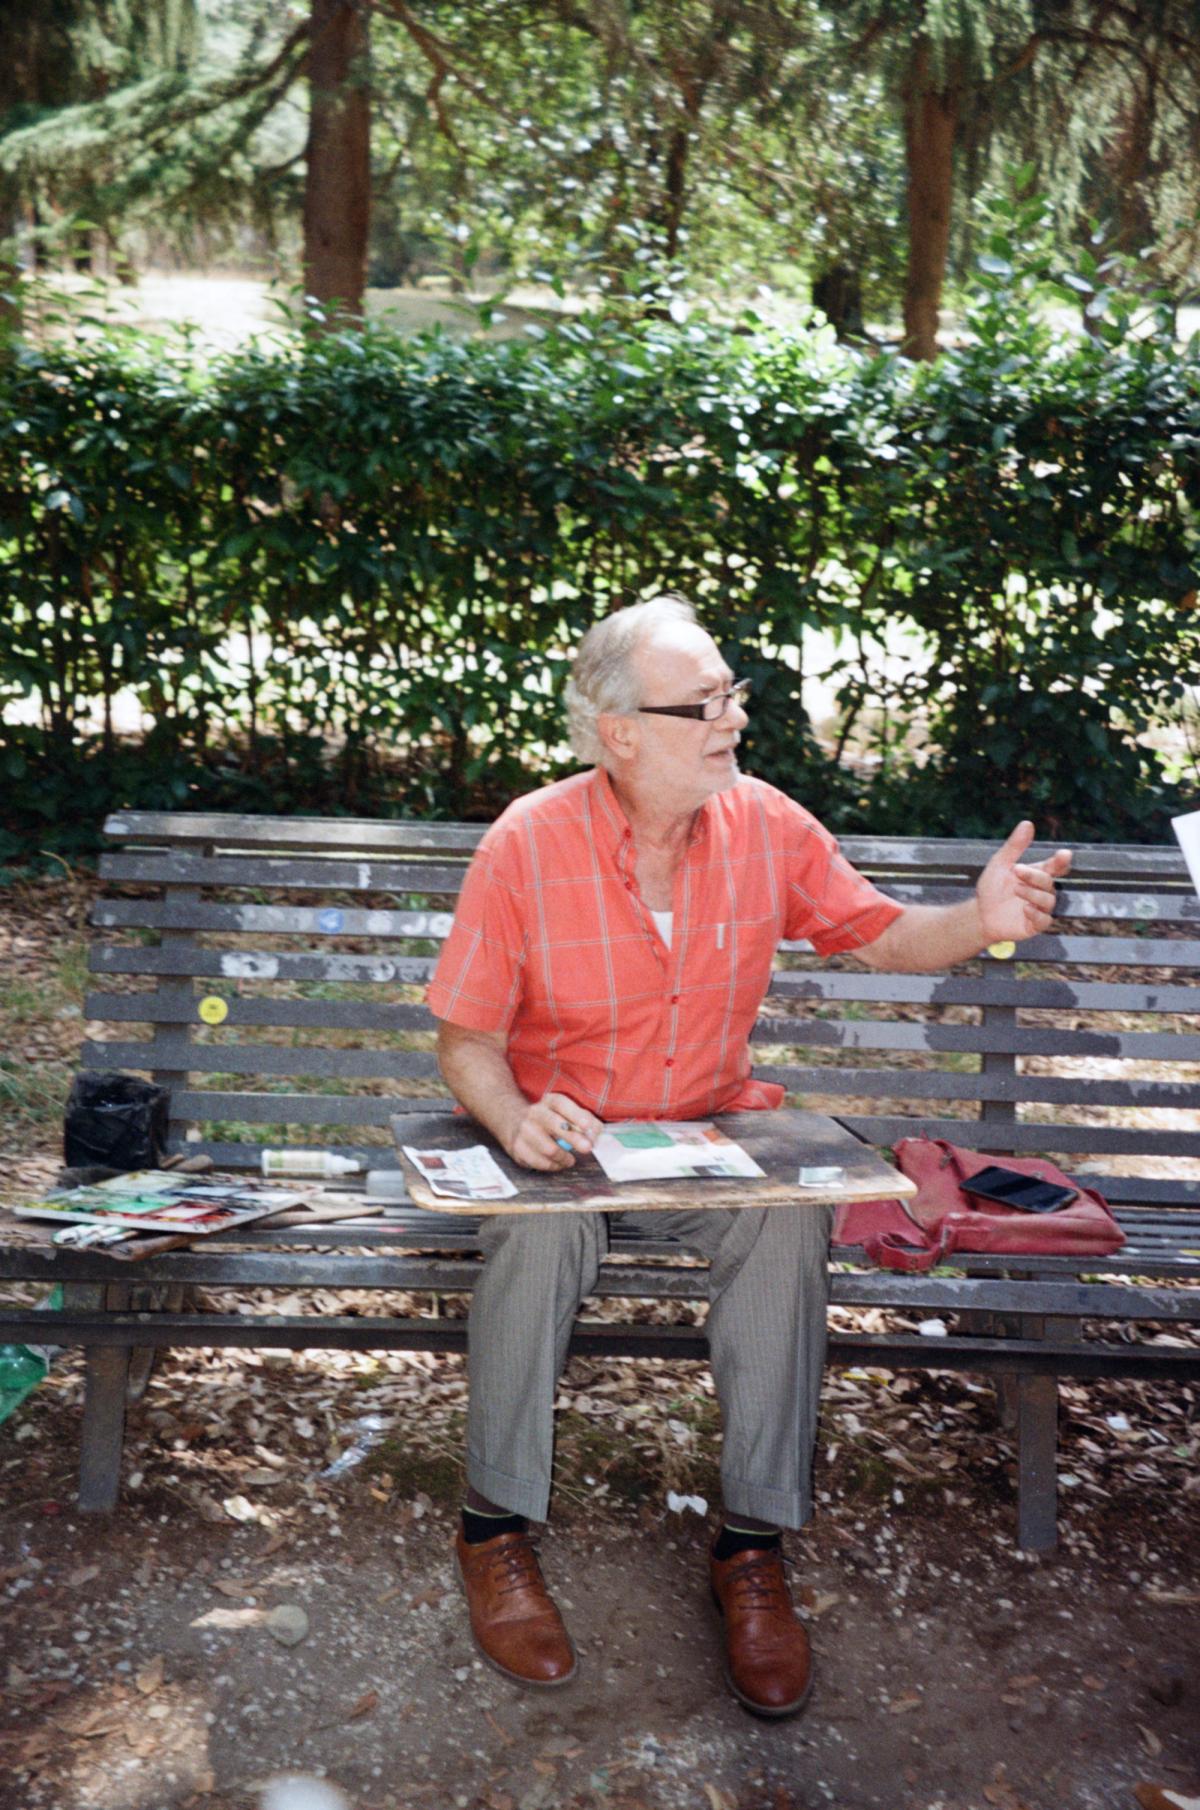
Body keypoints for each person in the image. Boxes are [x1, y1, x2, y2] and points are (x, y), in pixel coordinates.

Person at [427, 595, 1071, 1718]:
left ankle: (750, 1545)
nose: (733, 720)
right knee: (544, 1233)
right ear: (620, 730)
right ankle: (495, 1529)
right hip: (569, 1143)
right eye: (705, 703)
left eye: (734, 696)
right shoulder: (529, 840)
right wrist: (510, 1116)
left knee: (787, 1217)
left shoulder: (765, 823)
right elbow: (467, 1040)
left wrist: (982, 917)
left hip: (708, 1140)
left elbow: (880, 934)